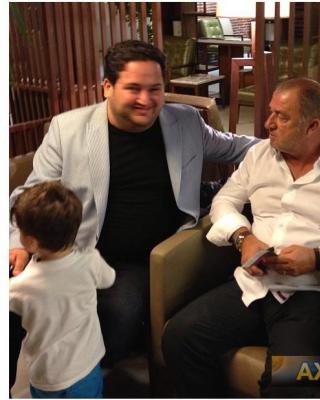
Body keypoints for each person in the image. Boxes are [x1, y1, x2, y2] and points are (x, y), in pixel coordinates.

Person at [9, 39, 258, 366]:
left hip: (142, 260)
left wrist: (299, 148)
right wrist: (18, 244)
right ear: (107, 87)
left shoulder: (185, 122)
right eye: (133, 88)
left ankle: (83, 376)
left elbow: (239, 146)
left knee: (116, 316)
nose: (146, 100)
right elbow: (31, 192)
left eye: (155, 89)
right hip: (75, 249)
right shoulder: (68, 129)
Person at [162, 78, 320, 397]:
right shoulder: (259, 155)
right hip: (253, 284)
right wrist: (243, 237)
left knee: (290, 383)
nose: (268, 123)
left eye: (281, 116)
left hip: (312, 294)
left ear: (313, 126)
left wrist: (318, 258)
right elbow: (225, 200)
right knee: (180, 337)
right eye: (271, 112)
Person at [9, 181, 116, 398]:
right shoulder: (91, 261)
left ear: (30, 242)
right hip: (87, 366)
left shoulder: (20, 286)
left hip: (47, 377)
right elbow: (109, 279)